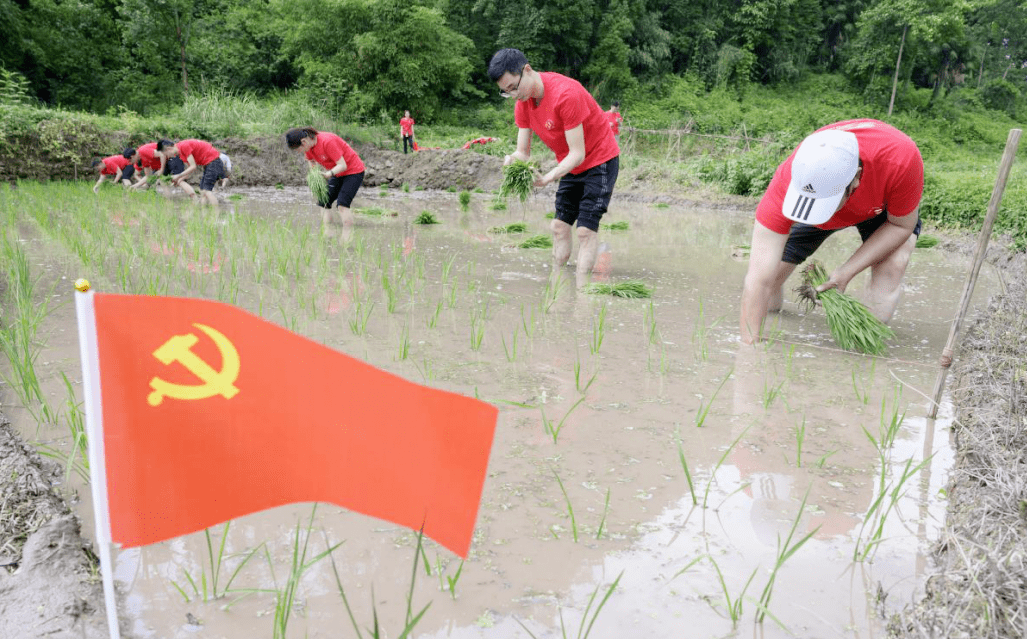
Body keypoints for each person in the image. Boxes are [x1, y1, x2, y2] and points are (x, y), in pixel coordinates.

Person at [739, 119, 924, 344]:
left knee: (893, 265)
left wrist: (845, 272)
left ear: (855, 178)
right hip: (817, 202)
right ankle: (771, 320)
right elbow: (758, 278)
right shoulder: (791, 180)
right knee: (771, 277)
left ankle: (865, 344)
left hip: (882, 211)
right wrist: (749, 349)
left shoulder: (900, 159)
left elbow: (901, 225)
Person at [487, 48, 620, 285]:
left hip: (599, 159)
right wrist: (510, 161)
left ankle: (582, 293)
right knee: (559, 226)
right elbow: (523, 152)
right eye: (506, 92)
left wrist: (547, 178)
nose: (514, 95)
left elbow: (578, 153)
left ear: (526, 70)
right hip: (570, 163)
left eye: (514, 87)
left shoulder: (566, 94)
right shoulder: (523, 103)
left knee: (585, 231)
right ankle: (558, 284)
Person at [285, 127, 366, 227]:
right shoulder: (308, 147)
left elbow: (343, 165)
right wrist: (315, 174)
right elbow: (311, 161)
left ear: (304, 141)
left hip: (353, 171)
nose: (299, 152)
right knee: (323, 201)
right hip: (337, 173)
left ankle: (348, 232)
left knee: (342, 204)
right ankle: (328, 231)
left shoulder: (327, 141)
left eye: (298, 149)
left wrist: (328, 174)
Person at [156, 138, 227, 205]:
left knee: (207, 191)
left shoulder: (183, 146)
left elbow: (193, 166)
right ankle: (204, 214)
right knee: (202, 191)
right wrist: (179, 179)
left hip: (213, 162)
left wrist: (178, 175)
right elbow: (190, 171)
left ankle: (216, 215)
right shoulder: (180, 154)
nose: (167, 157)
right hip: (209, 164)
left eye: (166, 154)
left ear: (169, 149)